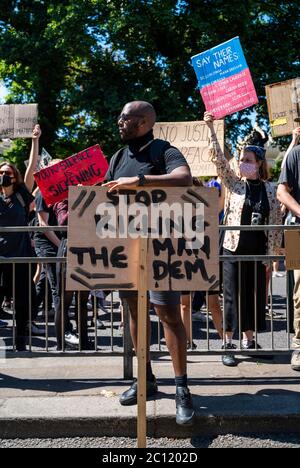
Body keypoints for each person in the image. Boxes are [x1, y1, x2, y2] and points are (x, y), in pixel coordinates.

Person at [103, 101, 195, 425]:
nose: (119, 121)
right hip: (128, 249)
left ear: (142, 122)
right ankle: (146, 379)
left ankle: (182, 388)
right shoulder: (116, 157)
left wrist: (138, 182)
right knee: (134, 312)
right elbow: (104, 196)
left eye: (124, 117)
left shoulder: (163, 150)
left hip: (162, 249)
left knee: (168, 314)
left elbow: (184, 178)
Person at [204, 112, 282, 367]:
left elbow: (275, 224)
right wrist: (211, 128)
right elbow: (218, 160)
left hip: (257, 250)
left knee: (252, 294)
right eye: (240, 160)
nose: (241, 164)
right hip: (233, 247)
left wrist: (272, 256)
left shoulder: (270, 190)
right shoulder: (235, 185)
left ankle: (249, 340)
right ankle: (227, 342)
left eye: (247, 160)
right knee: (231, 294)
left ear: (259, 163)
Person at [0, 124, 41, 350]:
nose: (5, 176)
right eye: (1, 173)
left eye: (8, 173)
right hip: (0, 258)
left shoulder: (22, 196)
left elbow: (32, 169)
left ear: (15, 177)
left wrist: (34, 141)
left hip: (20, 256)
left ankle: (21, 341)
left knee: (22, 302)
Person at [277, 127, 300, 372]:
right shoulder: (296, 155)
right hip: (297, 231)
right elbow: (281, 191)